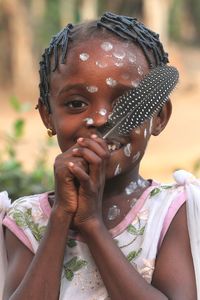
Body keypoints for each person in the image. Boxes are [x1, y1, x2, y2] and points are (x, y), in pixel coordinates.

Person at [2, 12, 199, 300]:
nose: (100, 118)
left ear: (158, 117)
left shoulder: (172, 212)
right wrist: (61, 218)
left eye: (122, 103)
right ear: (48, 117)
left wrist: (91, 223)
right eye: (76, 103)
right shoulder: (27, 220)